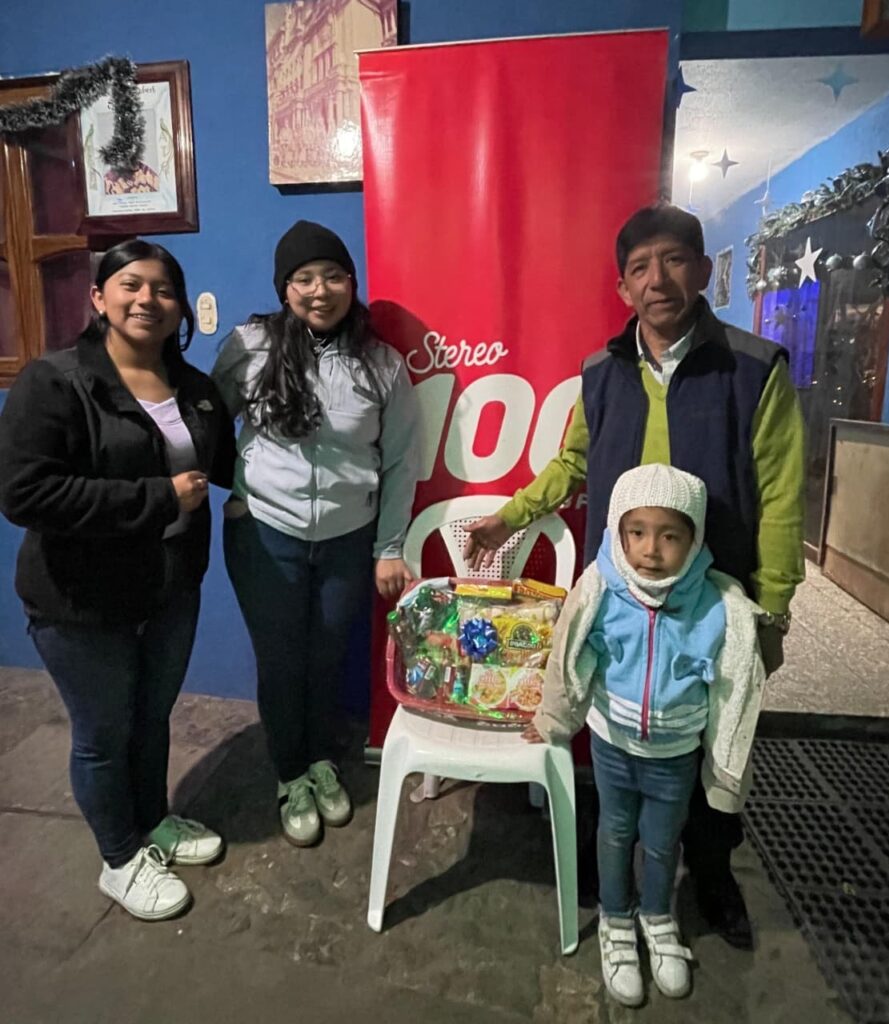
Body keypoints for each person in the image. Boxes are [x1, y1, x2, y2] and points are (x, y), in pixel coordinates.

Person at [464, 203, 805, 947]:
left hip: (711, 598)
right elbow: (573, 463)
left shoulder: (754, 369)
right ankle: (611, 865)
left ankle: (710, 873)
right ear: (623, 287)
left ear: (704, 270)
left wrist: (772, 609)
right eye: (641, 267)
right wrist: (509, 517)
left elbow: (781, 495)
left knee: (714, 737)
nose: (659, 280)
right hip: (620, 595)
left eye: (675, 260)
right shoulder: (601, 372)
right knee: (615, 725)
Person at [0, 240, 236, 921]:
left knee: (152, 717)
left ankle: (153, 819)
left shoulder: (194, 388)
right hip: (80, 599)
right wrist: (160, 498)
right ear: (98, 297)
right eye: (130, 284)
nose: (147, 300)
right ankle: (120, 857)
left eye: (163, 288)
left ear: (178, 307)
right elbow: (25, 494)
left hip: (170, 588)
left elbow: (226, 463)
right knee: (103, 734)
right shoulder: (55, 381)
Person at [211, 221, 420, 848]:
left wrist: (388, 547)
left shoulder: (381, 364)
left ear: (351, 283)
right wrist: (238, 489)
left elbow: (400, 462)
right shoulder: (250, 347)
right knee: (280, 661)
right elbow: (206, 421)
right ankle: (289, 775)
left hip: (347, 538)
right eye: (303, 278)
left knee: (328, 656)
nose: (319, 290)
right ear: (285, 288)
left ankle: (322, 760)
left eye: (332, 276)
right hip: (265, 536)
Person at [524, 464, 766, 1006]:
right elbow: (570, 655)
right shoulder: (601, 589)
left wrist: (725, 771)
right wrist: (553, 719)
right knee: (614, 833)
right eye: (637, 532)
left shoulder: (717, 605)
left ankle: (657, 917)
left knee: (661, 841)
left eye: (670, 536)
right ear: (618, 529)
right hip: (612, 747)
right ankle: (615, 919)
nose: (651, 549)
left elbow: (734, 691)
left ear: (694, 539)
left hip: (675, 756)